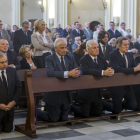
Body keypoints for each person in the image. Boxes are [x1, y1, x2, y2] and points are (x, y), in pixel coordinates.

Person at [37, 38, 82, 122]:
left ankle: (51, 112)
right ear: (56, 48)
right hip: (54, 93)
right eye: (62, 48)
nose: (65, 50)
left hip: (66, 93)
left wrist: (77, 73)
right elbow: (50, 73)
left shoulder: (70, 57)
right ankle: (36, 112)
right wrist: (68, 73)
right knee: (54, 119)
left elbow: (78, 69)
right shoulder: (49, 58)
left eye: (65, 47)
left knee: (63, 119)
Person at [71, 40, 114, 118]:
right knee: (84, 115)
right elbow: (86, 71)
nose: (97, 49)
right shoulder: (84, 59)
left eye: (97, 47)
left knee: (97, 113)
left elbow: (108, 68)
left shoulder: (102, 59)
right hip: (86, 92)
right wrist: (103, 72)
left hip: (97, 91)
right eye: (94, 48)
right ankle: (72, 106)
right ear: (88, 49)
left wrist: (111, 71)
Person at [107, 37, 139, 114]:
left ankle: (118, 106)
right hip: (117, 84)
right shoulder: (113, 54)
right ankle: (105, 105)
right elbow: (117, 69)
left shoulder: (129, 54)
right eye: (125, 45)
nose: (127, 46)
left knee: (133, 105)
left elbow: (134, 66)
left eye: (128, 44)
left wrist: (138, 67)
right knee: (117, 111)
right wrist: (134, 69)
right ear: (119, 46)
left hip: (128, 84)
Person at [0, 52, 22, 132]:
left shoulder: (12, 71)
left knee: (8, 130)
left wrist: (13, 101)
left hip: (9, 108)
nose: (5, 64)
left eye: (6, 61)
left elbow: (18, 87)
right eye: (2, 62)